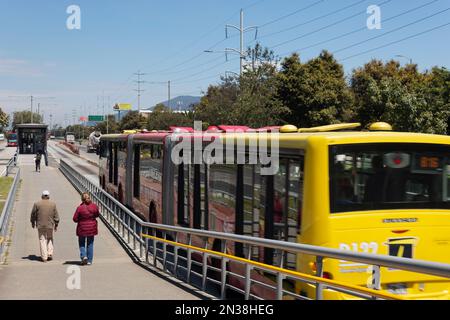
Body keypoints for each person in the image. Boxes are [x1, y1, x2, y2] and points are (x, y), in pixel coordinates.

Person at [30, 190, 60, 262]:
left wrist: (32, 222)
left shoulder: (37, 204)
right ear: (48, 196)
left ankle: (44, 257)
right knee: (50, 238)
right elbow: (56, 216)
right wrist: (56, 224)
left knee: (42, 240)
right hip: (50, 225)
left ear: (42, 196)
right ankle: (49, 253)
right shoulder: (53, 204)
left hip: (40, 225)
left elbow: (33, 214)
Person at [73, 192, 100, 265]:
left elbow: (75, 219)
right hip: (92, 228)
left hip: (82, 228)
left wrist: (81, 220)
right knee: (90, 244)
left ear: (82, 199)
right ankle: (89, 261)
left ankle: (84, 256)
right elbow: (97, 215)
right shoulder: (94, 206)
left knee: (81, 243)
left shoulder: (79, 208)